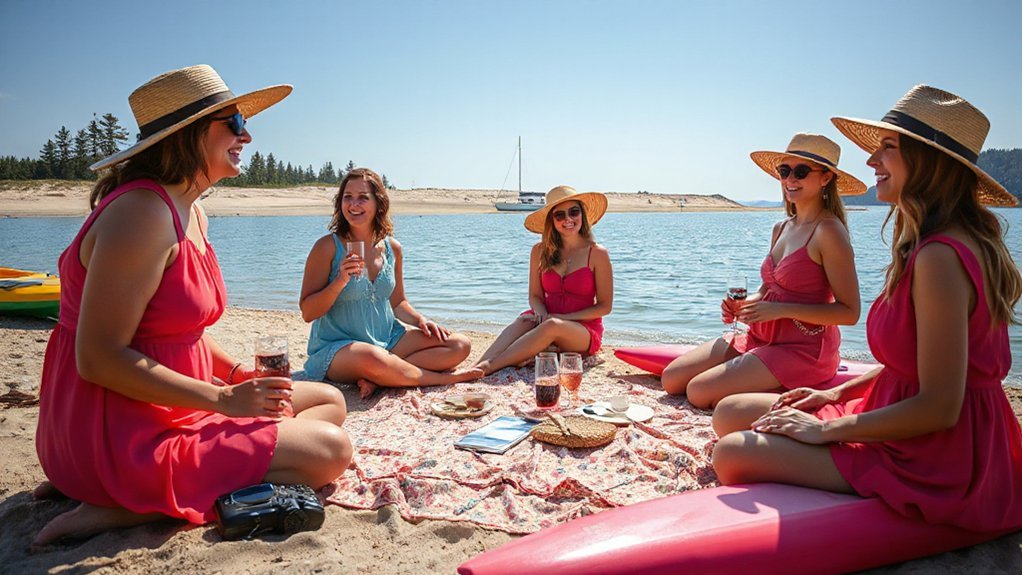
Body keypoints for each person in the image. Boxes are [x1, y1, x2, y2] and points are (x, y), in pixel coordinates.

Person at [33, 65, 353, 547]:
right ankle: (120, 502)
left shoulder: (190, 208)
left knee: (328, 400)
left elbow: (182, 329)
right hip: (118, 432)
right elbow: (96, 357)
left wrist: (236, 377)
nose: (247, 133)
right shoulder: (141, 214)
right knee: (331, 450)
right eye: (234, 121)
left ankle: (174, 477)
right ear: (191, 134)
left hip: (173, 405)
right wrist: (224, 402)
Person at [712, 85, 1022, 532]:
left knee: (732, 453)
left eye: (887, 149)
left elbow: (941, 407)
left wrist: (827, 429)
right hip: (897, 411)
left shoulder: (939, 257)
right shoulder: (931, 244)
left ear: (928, 162)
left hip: (936, 450)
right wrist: (836, 394)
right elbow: (919, 364)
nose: (871, 162)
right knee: (729, 412)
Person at [661, 134, 865, 409]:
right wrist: (743, 306)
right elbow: (767, 291)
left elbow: (849, 312)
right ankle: (756, 384)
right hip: (760, 337)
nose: (790, 179)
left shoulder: (829, 231)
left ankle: (808, 401)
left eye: (801, 171)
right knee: (671, 380)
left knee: (698, 391)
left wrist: (780, 311)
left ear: (826, 178)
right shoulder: (781, 228)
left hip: (802, 351)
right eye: (784, 171)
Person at [300, 167, 481, 399]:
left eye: (363, 197)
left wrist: (421, 320)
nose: (354, 204)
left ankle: (383, 377)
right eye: (348, 197)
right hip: (340, 349)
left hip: (388, 340)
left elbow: (398, 303)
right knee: (372, 358)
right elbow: (307, 312)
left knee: (459, 344)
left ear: (379, 203)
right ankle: (443, 379)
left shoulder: (392, 248)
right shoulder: (326, 247)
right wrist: (339, 281)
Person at [473, 186, 613, 375]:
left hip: (582, 330)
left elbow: (604, 307)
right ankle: (476, 366)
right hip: (546, 318)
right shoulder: (539, 251)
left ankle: (487, 368)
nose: (568, 220)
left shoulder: (597, 253)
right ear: (551, 220)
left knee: (552, 326)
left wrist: (560, 318)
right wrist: (541, 312)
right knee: (524, 320)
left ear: (583, 214)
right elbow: (535, 296)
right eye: (560, 215)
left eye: (574, 212)